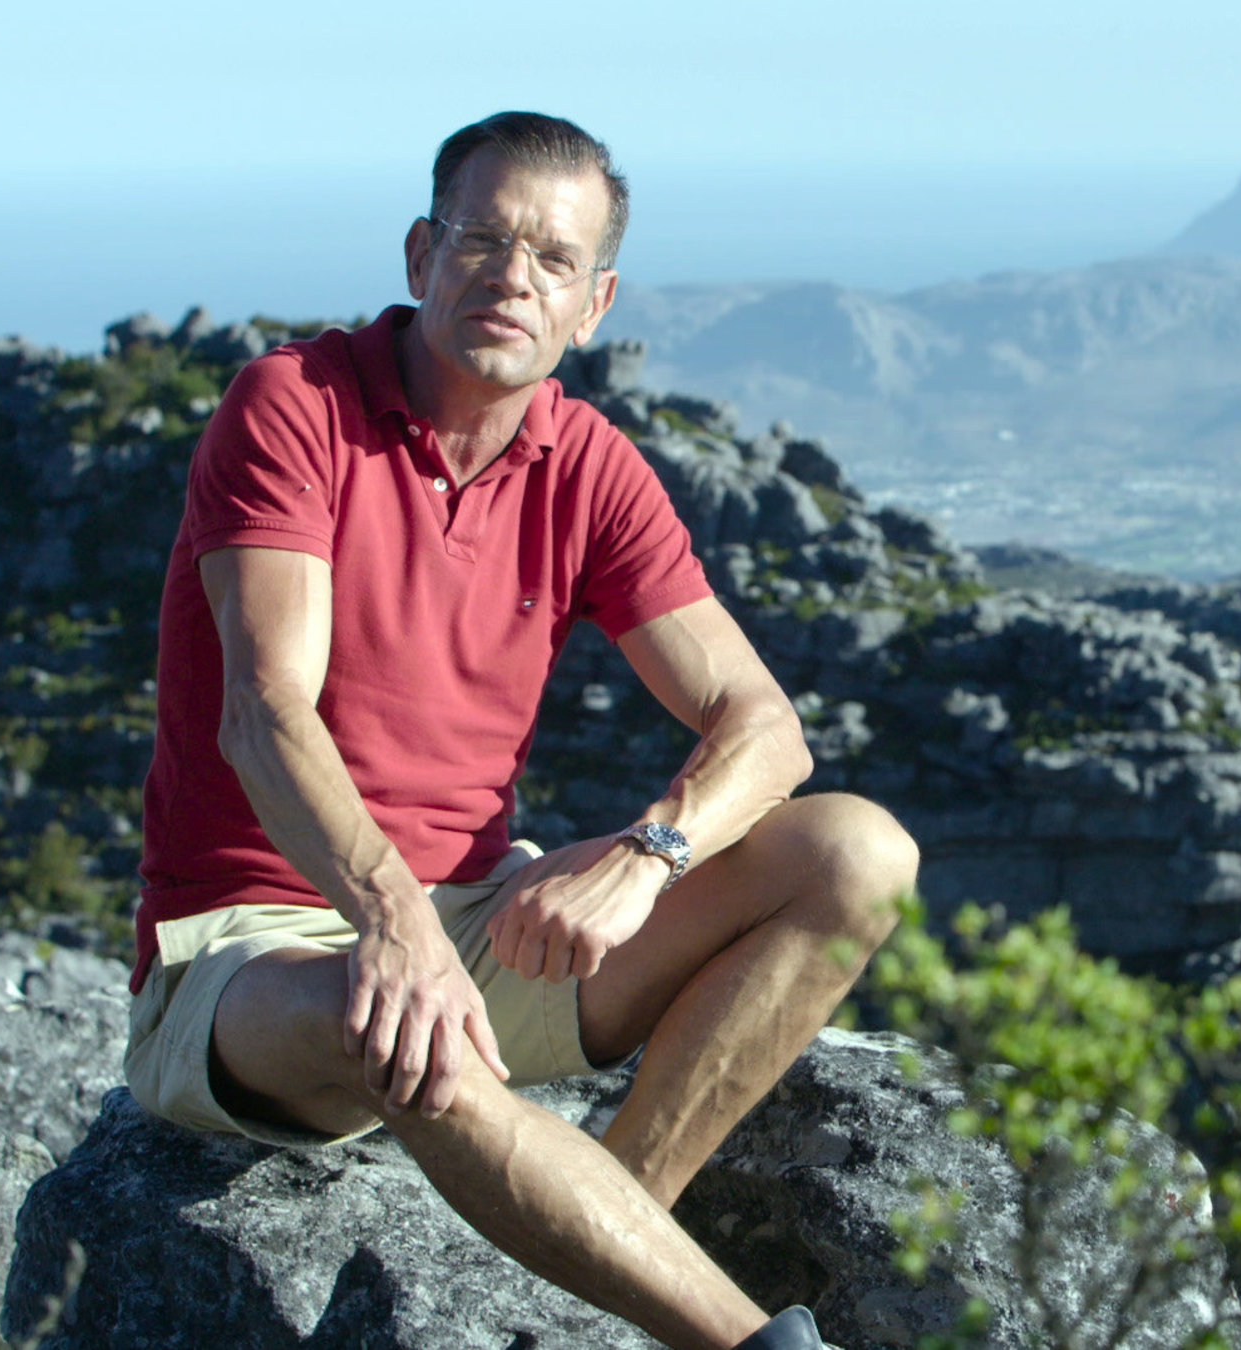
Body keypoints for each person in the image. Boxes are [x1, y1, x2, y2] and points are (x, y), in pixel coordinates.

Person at [120, 111, 917, 1350]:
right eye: (482, 240)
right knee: (406, 1026)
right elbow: (265, 710)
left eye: (553, 258)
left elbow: (768, 730)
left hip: (478, 919)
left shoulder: (588, 465)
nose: (513, 277)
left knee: (856, 853)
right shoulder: (297, 405)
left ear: (595, 304)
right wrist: (395, 926)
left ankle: (604, 1241)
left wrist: (646, 856)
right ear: (419, 255)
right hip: (250, 952)